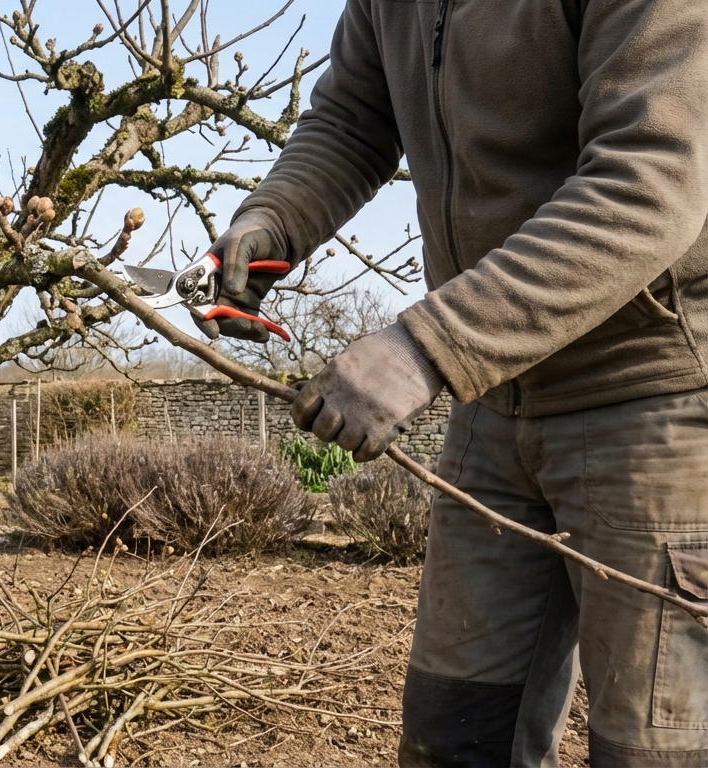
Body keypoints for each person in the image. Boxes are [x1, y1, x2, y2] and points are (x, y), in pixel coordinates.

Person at [200, 1, 708, 766]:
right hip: (493, 403)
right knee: (454, 734)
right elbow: (349, 122)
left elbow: (650, 180)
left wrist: (424, 347)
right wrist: (273, 222)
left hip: (651, 403)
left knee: (656, 750)